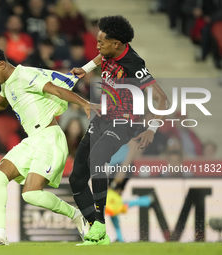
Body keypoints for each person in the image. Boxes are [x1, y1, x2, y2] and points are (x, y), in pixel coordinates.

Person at [0, 46, 97, 245]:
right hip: (33, 139)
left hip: (50, 138)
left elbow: (56, 90)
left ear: (1, 64)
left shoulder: (25, 75)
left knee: (31, 195)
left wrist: (84, 103)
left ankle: (76, 215)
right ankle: (0, 235)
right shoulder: (7, 83)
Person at [69, 15, 169, 245]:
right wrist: (85, 69)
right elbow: (100, 57)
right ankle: (98, 234)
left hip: (125, 122)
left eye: (101, 42)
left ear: (116, 43)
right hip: (103, 117)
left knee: (98, 158)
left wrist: (151, 130)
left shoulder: (134, 64)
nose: (97, 46)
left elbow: (161, 98)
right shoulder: (108, 52)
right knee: (77, 178)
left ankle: (100, 224)